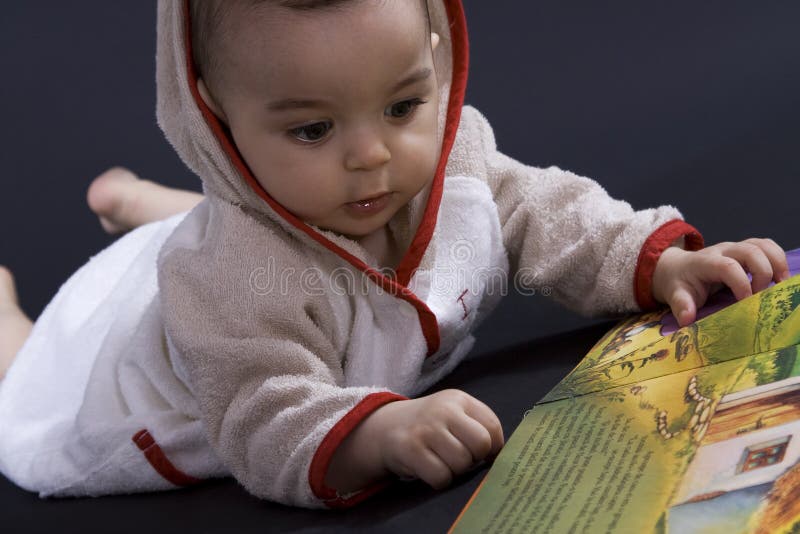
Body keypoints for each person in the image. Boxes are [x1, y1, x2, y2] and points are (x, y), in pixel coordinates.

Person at [0, 0, 789, 509]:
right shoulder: (227, 276)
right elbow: (260, 409)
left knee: (292, 210)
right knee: (24, 388)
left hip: (260, 232)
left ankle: (143, 202)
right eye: (313, 129)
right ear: (216, 122)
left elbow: (541, 213)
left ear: (436, 62)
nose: (372, 156)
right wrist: (375, 435)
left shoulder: (449, 163)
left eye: (403, 104)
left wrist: (655, 262)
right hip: (122, 373)